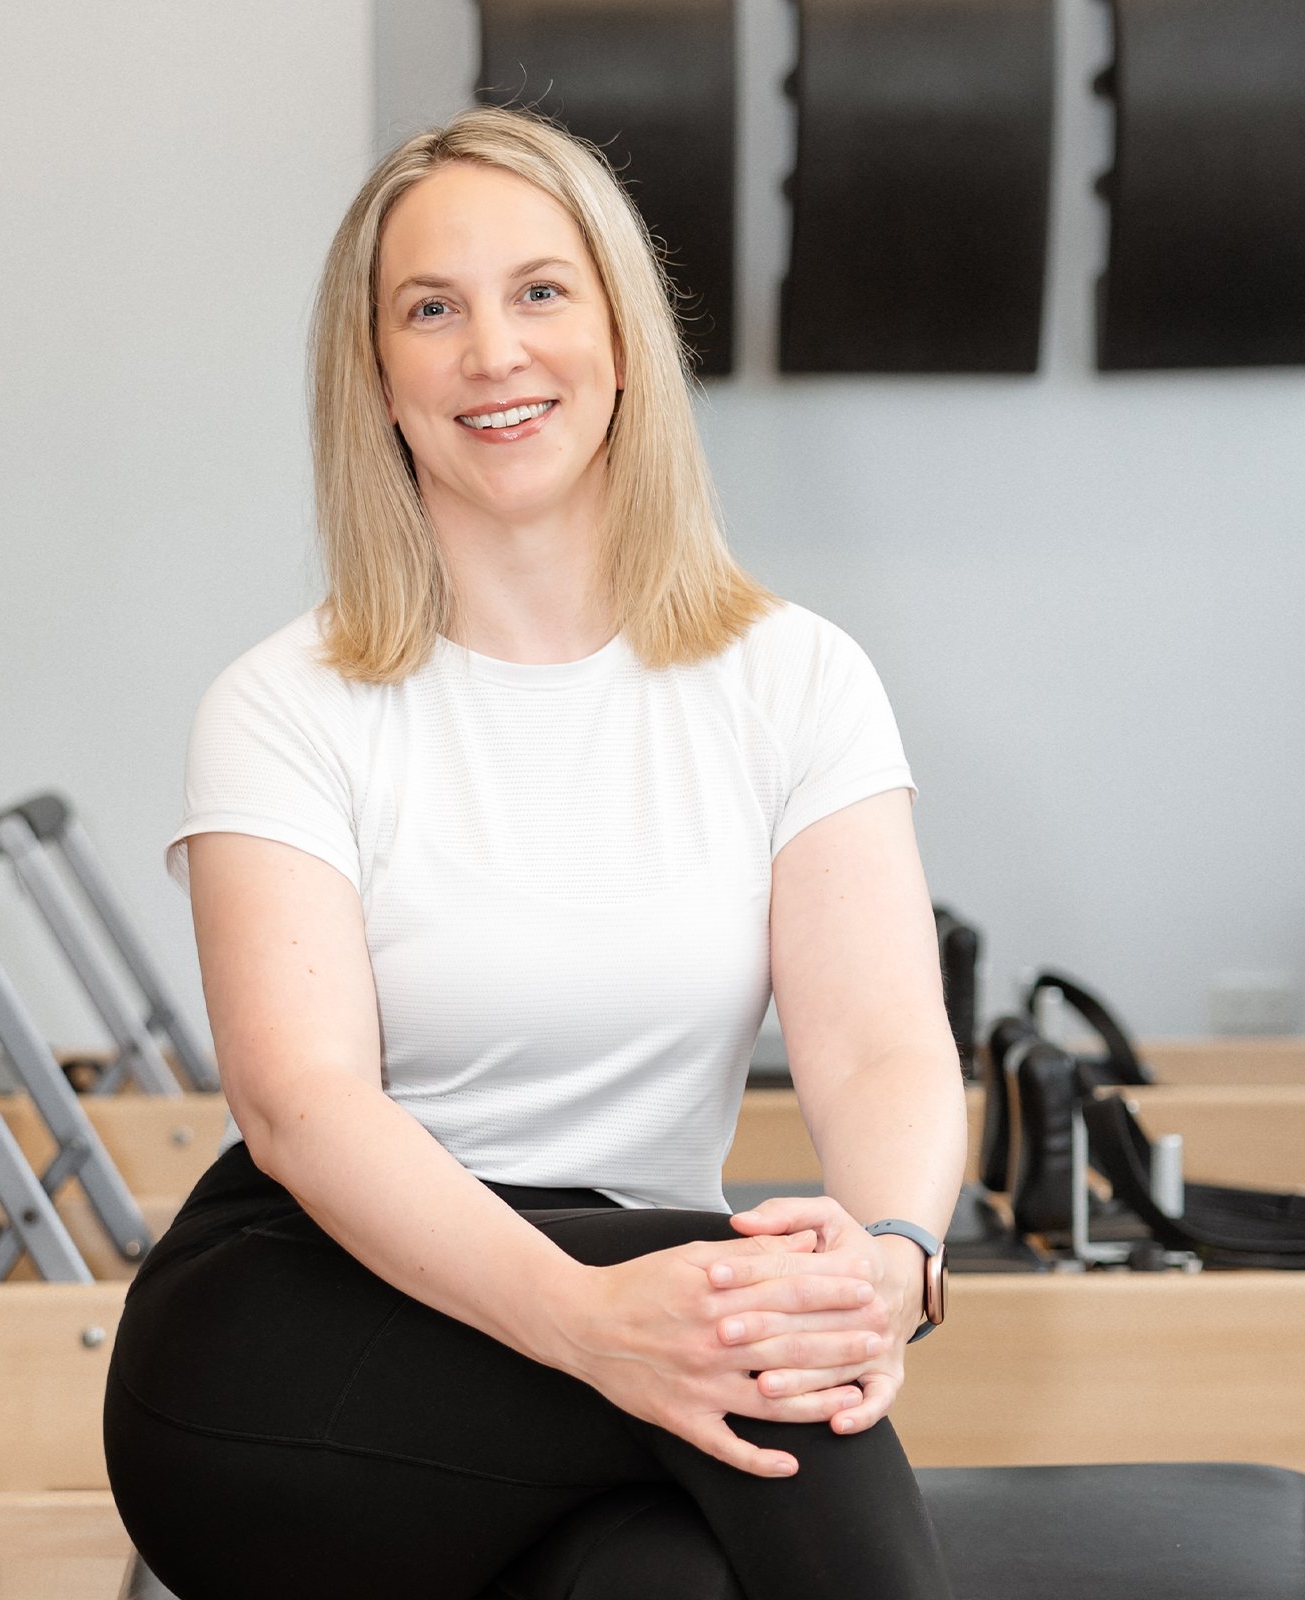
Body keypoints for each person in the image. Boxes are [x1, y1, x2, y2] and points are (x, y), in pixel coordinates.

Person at [103, 105, 966, 1600]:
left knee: (680, 1556)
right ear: (378, 376)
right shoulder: (284, 705)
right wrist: (592, 1324)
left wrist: (892, 1260)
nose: (493, 352)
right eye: (431, 311)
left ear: (623, 338)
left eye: (541, 292)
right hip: (300, 1344)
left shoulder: (795, 679)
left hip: (625, 1323)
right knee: (764, 1346)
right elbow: (300, 1106)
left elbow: (883, 1043)